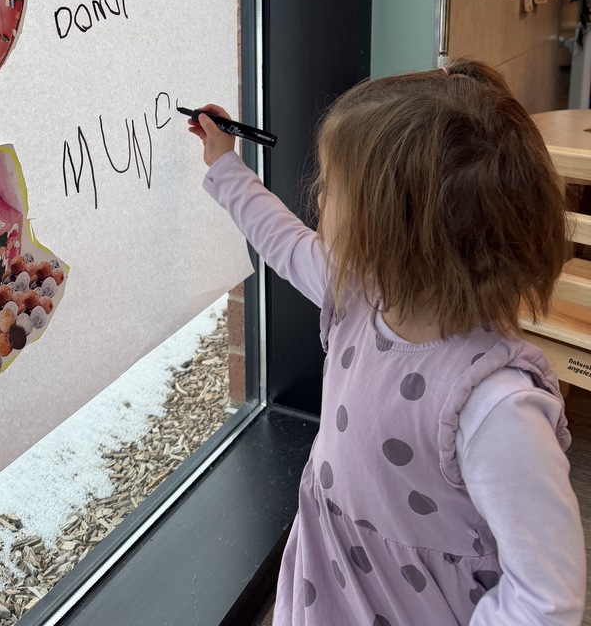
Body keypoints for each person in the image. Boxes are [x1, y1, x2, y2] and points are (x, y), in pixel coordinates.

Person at [186, 59, 586, 625]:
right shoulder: (358, 293)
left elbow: (546, 598)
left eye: (332, 186)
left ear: (396, 228)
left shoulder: (496, 408)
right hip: (326, 585)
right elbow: (281, 239)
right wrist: (225, 164)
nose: (318, 197)